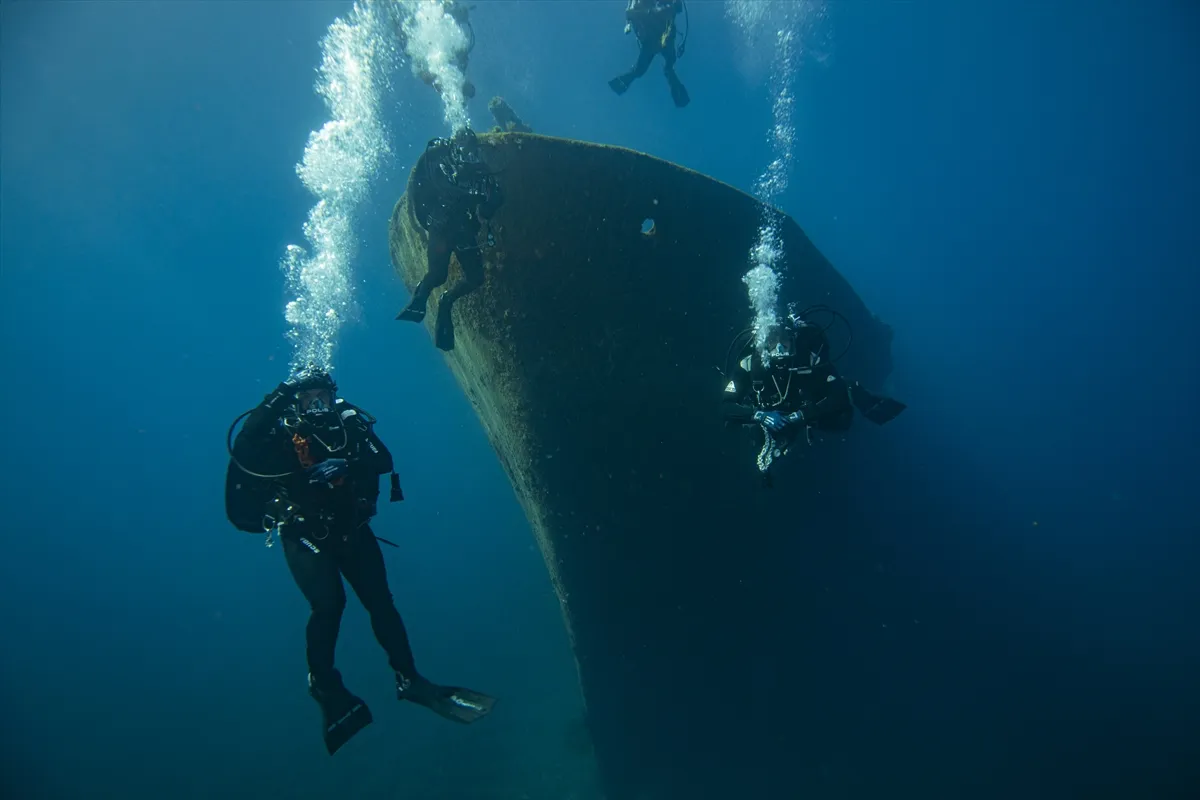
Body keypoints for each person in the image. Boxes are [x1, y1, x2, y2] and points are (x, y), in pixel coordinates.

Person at [224, 366, 495, 755]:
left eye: (324, 397)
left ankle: (409, 679)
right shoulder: (282, 431)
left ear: (334, 396)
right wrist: (282, 393)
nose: (317, 405)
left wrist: (348, 465)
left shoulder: (348, 424)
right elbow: (246, 443)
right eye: (308, 397)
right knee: (329, 605)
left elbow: (383, 460)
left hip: (351, 529)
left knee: (381, 602)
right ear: (296, 400)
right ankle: (325, 685)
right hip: (305, 533)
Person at [721, 309, 907, 483]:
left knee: (844, 416)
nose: (779, 347)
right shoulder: (749, 365)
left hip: (805, 412)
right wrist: (760, 415)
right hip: (767, 416)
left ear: (793, 339)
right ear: (762, 343)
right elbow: (726, 405)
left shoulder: (808, 360)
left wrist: (802, 415)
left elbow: (838, 394)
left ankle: (862, 397)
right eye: (771, 341)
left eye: (784, 340)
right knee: (750, 437)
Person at [397, 126, 504, 351]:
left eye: (471, 150)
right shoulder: (441, 161)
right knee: (438, 275)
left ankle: (447, 300)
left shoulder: (480, 172)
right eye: (464, 148)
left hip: (464, 230)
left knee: (476, 278)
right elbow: (440, 185)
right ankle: (421, 295)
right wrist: (469, 189)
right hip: (442, 226)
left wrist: (493, 200)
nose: (468, 154)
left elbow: (484, 213)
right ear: (455, 146)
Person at [608, 0, 690, 108]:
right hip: (653, 37)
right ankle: (627, 79)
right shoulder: (642, 5)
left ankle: (671, 80)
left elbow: (677, 8)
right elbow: (631, 13)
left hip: (659, 36)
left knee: (663, 64)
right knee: (643, 69)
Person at [398, 0, 477, 101]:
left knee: (407, 41)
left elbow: (426, 74)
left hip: (424, 41)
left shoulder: (447, 80)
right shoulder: (460, 63)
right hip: (428, 33)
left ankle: (392, 11)